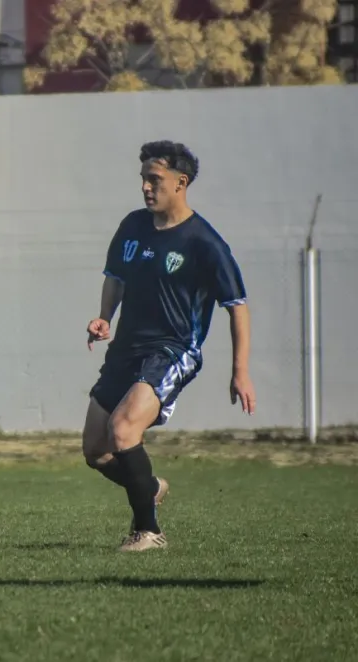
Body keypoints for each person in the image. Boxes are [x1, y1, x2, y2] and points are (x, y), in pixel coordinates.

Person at [84, 140, 256, 552]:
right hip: (126, 348)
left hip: (173, 350)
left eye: (154, 179)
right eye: (143, 178)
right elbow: (116, 277)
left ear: (181, 183)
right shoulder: (132, 225)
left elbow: (237, 307)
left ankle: (148, 531)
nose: (146, 186)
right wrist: (105, 316)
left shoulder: (205, 242)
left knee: (124, 429)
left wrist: (241, 371)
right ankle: (150, 486)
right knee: (95, 451)